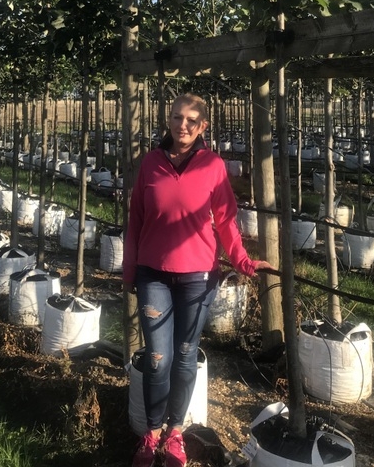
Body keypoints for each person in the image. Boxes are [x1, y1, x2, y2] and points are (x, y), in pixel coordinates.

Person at [123, 93, 274, 467]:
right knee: (158, 359)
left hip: (197, 277)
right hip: (153, 275)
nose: (183, 125)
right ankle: (151, 432)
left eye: (191, 120)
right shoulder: (151, 164)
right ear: (168, 121)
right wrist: (130, 271)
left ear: (203, 126)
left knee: (186, 356)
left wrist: (242, 260)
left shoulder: (212, 166)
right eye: (177, 118)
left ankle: (175, 433)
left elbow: (225, 220)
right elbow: (135, 221)